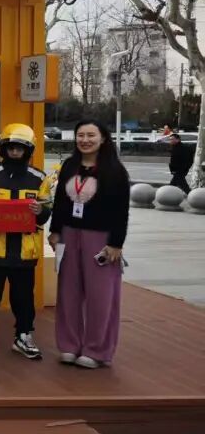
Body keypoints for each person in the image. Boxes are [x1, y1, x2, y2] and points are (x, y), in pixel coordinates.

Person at [49, 119, 131, 368]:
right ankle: (69, 345)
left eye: (91, 135)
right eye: (81, 135)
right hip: (69, 234)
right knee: (68, 292)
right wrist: (55, 231)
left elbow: (121, 211)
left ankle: (97, 349)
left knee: (101, 295)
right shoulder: (69, 166)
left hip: (101, 238)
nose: (85, 140)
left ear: (103, 138)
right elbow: (60, 201)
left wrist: (116, 243)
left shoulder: (115, 171)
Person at [0, 123, 51, 360]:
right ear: (3, 148)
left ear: (29, 150)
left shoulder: (39, 178)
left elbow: (46, 211)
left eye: (20, 148)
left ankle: (23, 336)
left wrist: (41, 211)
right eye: (11, 147)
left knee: (24, 297)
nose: (15, 152)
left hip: (25, 251)